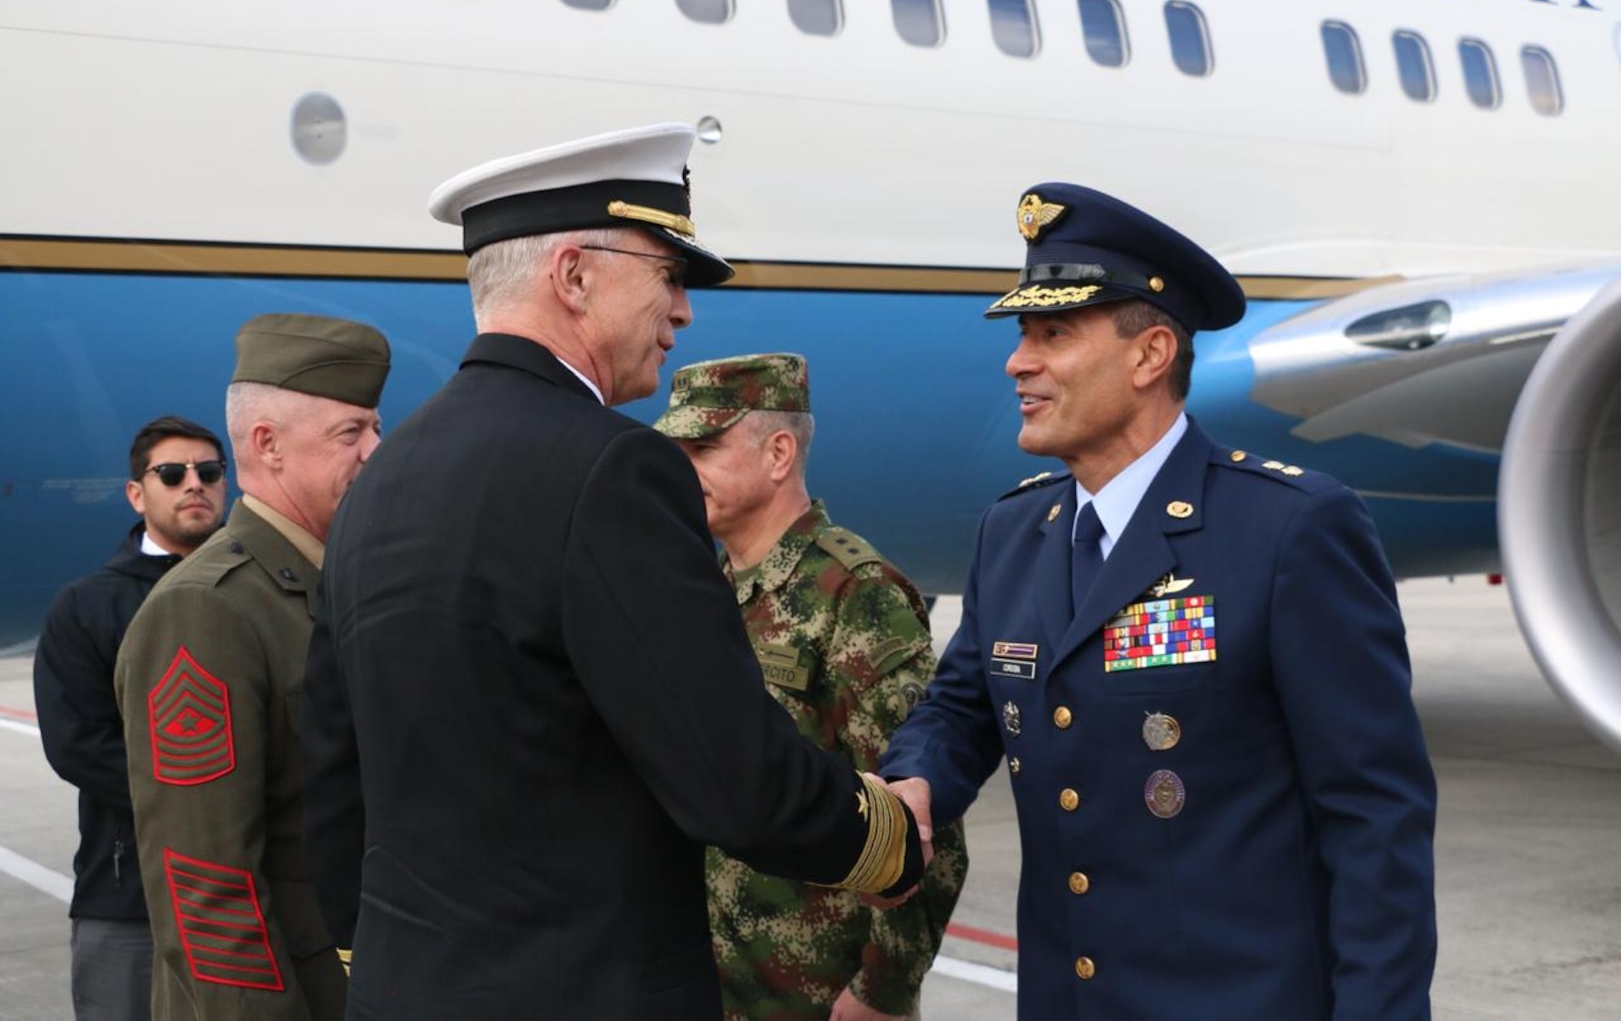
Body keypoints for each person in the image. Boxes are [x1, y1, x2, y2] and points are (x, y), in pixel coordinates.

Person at [300, 122, 925, 1021]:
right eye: (667, 275)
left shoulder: (380, 480)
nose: (684, 312)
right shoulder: (614, 469)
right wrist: (890, 839)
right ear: (574, 275)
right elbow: (730, 779)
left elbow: (333, 766)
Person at [880, 183, 1438, 1020]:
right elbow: (963, 708)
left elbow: (1374, 818)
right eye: (1024, 335)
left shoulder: (1287, 529)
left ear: (1148, 357)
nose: (1017, 361)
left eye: (1053, 334)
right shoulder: (1015, 530)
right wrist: (915, 782)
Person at [653, 353, 967, 1021]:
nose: (684, 469)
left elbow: (921, 818)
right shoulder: (702, 587)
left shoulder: (855, 594)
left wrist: (884, 989)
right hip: (707, 978)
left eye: (704, 447)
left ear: (777, 452)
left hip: (813, 992)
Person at [113, 314, 391, 1021]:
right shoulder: (208, 611)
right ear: (266, 445)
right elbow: (205, 880)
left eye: (376, 430)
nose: (375, 452)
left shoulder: (334, 582)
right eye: (350, 433)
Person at [33, 416, 227, 1021]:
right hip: (129, 896)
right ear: (137, 494)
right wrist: (211, 794)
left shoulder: (263, 588)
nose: (193, 484)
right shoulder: (87, 607)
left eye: (209, 472)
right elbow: (77, 745)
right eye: (172, 474)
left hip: (253, 893)